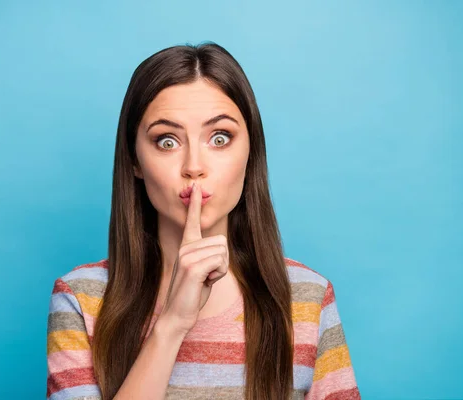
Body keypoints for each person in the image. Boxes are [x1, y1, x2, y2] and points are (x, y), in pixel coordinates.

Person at [46, 42, 361, 400]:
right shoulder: (82, 299)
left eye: (220, 138)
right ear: (135, 160)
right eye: (167, 141)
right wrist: (171, 326)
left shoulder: (306, 298)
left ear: (250, 152)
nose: (194, 166)